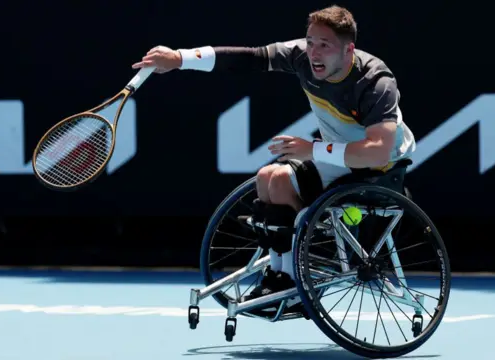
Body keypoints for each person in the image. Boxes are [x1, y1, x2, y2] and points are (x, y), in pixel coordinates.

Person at [132, 4, 416, 311]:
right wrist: (180, 58)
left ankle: (300, 269)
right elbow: (249, 58)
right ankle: (285, 277)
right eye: (310, 42)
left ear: (349, 49)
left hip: (379, 169)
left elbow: (378, 150)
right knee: (270, 177)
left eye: (324, 45)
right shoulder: (301, 57)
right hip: (337, 159)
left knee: (285, 177)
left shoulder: (375, 82)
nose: (314, 52)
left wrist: (313, 150)